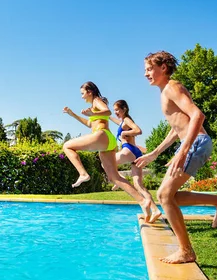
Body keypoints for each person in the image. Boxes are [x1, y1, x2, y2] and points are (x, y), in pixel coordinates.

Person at [134, 51, 217, 264]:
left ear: (163, 67)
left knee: (163, 195)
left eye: (149, 69)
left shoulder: (172, 87)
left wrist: (184, 150)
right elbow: (175, 128)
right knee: (170, 197)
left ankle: (186, 251)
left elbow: (198, 115)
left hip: (196, 143)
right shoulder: (165, 92)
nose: (146, 74)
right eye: (145, 70)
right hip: (194, 143)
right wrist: (154, 153)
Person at [63, 81, 154, 221]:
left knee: (67, 146)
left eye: (82, 93)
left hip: (102, 135)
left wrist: (92, 112)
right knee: (114, 177)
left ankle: (83, 173)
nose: (81, 97)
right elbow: (89, 123)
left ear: (90, 92)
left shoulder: (97, 101)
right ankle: (143, 201)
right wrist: (72, 114)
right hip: (108, 141)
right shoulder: (93, 106)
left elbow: (108, 111)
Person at [109, 100, 162, 223]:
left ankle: (118, 179)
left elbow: (138, 130)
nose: (115, 112)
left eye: (117, 110)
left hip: (129, 150)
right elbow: (117, 122)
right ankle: (155, 210)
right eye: (114, 110)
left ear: (124, 109)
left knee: (105, 163)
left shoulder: (127, 120)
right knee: (139, 185)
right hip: (136, 153)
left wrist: (124, 133)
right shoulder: (123, 121)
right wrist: (107, 116)